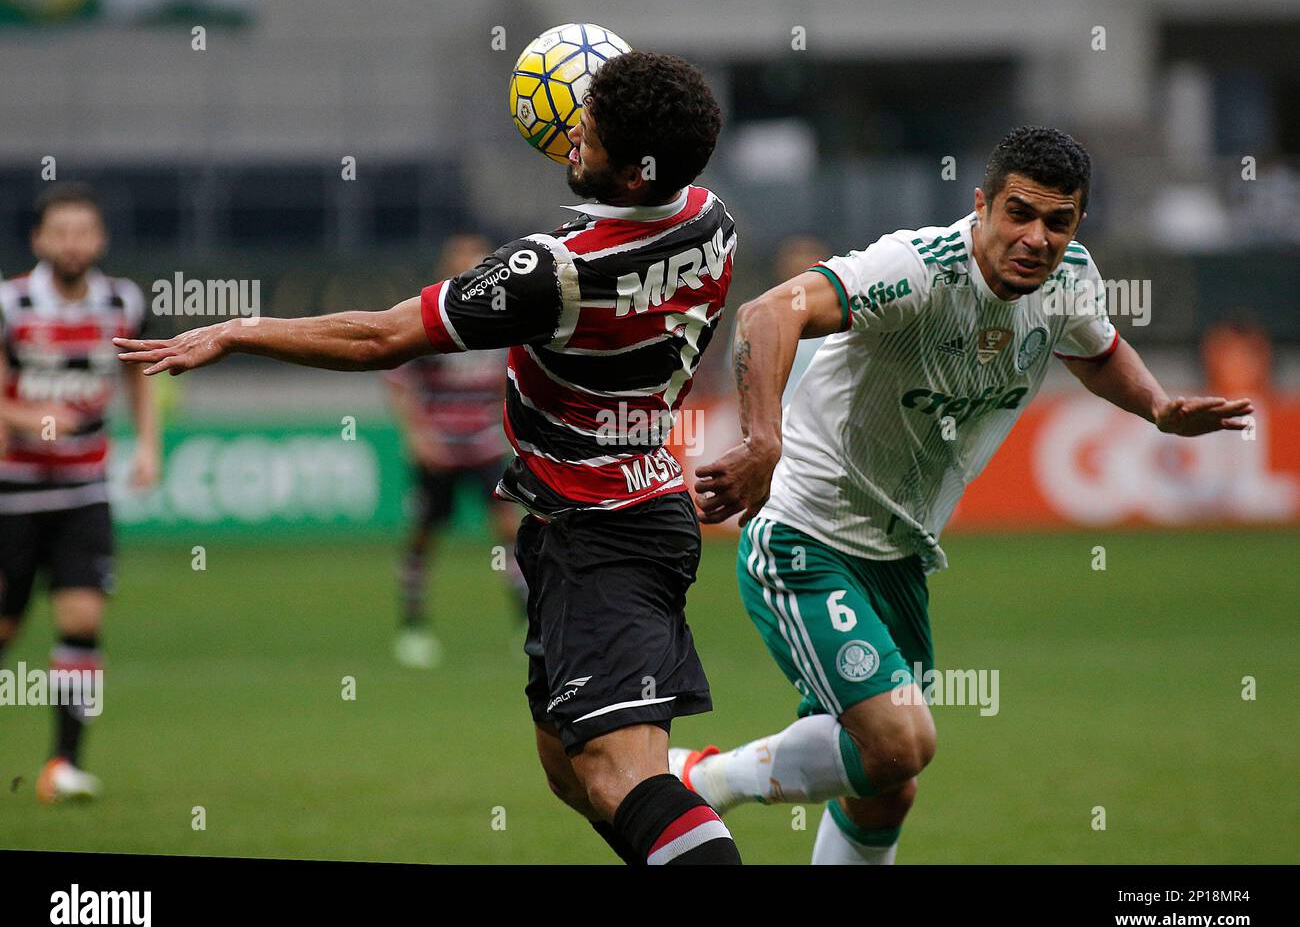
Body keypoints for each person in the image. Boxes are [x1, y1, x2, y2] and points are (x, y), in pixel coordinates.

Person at [116, 51, 743, 864]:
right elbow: (642, 168)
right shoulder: (711, 218)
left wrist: (240, 331)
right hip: (604, 512)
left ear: (631, 175)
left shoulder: (555, 271)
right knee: (570, 770)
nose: (571, 136)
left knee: (618, 778)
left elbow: (380, 337)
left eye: (589, 135)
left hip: (605, 532)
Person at [679, 126, 1253, 864]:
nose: (1037, 238)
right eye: (1019, 213)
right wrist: (763, 441)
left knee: (888, 787)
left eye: (1059, 221)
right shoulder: (917, 269)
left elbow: (1097, 349)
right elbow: (767, 314)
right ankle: (706, 777)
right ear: (981, 206)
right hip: (805, 536)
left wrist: (1159, 409)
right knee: (900, 743)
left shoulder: (1071, 278)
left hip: (898, 559)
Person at [0, 182, 161, 803]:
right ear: (40, 240)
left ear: (100, 239)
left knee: (82, 618)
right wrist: (35, 420)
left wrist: (148, 445)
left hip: (83, 489)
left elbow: (141, 376)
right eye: (59, 232)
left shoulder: (122, 301)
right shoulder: (12, 304)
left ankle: (62, 764)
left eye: (83, 231)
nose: (73, 243)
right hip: (11, 491)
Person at [385, 233, 527, 669]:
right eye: (462, 262)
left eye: (476, 263)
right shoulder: (431, 317)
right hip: (440, 450)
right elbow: (399, 379)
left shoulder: (502, 318)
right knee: (424, 535)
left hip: (484, 445)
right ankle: (412, 627)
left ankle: (526, 623)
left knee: (510, 530)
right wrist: (417, 434)